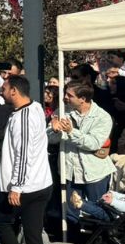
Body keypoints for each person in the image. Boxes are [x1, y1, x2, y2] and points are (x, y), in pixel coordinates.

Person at [0, 75, 53, 244]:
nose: (1, 91)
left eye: (5, 88)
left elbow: (24, 154)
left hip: (26, 186)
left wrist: (16, 186)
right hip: (41, 183)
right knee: (32, 233)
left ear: (14, 92)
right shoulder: (36, 107)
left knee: (0, 223)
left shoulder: (23, 118)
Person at [49, 82, 115, 225]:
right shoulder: (61, 112)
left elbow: (94, 143)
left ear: (82, 99)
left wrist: (71, 132)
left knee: (97, 211)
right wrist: (53, 130)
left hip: (95, 174)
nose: (64, 97)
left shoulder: (102, 117)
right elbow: (50, 139)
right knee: (70, 213)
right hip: (70, 172)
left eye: (69, 95)